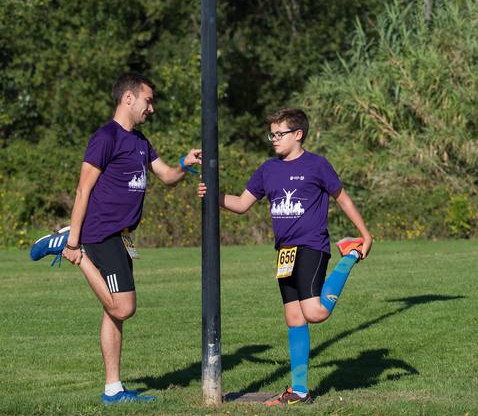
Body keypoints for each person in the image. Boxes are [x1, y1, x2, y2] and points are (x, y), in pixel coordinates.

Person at [30, 70, 201, 405]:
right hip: (100, 232)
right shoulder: (106, 137)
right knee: (123, 307)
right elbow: (83, 189)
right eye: (148, 101)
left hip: (122, 237)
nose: (151, 108)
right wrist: (76, 244)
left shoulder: (140, 142)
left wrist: (185, 162)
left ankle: (113, 391)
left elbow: (166, 176)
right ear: (129, 98)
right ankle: (68, 248)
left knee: (113, 313)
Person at [198, 106, 372, 406]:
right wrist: (212, 194)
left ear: (298, 134)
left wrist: (365, 234)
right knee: (294, 318)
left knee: (316, 313)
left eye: (280, 134)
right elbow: (241, 204)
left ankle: (349, 254)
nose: (274, 139)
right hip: (285, 253)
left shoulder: (317, 165)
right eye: (272, 134)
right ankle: (299, 391)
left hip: (311, 246)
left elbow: (341, 197)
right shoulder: (268, 169)